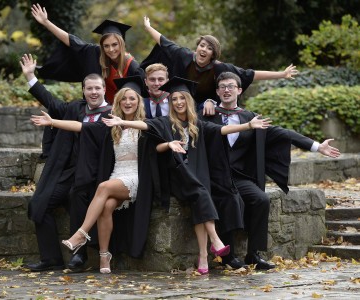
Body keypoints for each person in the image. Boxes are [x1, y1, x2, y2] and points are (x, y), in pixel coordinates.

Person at [102, 76, 271, 274]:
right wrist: (123, 121)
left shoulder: (198, 124)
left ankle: (203, 257)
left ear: (188, 101)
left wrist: (247, 126)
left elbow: (222, 129)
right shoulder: (165, 122)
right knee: (200, 191)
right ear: (171, 102)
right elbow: (146, 126)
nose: (179, 102)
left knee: (200, 194)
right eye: (174, 99)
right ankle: (215, 241)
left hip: (195, 178)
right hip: (174, 177)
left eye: (182, 98)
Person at [200, 72, 341, 270]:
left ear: (239, 90)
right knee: (232, 200)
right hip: (213, 175)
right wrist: (205, 102)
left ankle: (253, 254)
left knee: (261, 199)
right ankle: (228, 256)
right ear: (217, 91)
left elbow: (280, 133)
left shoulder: (249, 117)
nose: (226, 90)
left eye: (231, 86)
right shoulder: (207, 113)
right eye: (222, 86)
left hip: (239, 176)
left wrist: (316, 146)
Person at [31, 76, 158, 274]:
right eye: (124, 99)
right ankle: (104, 256)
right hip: (117, 174)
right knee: (106, 206)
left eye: (132, 99)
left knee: (102, 187)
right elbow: (82, 127)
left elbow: (151, 130)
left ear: (139, 101)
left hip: (134, 176)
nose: (127, 102)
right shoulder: (111, 125)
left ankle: (81, 234)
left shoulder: (147, 124)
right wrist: (53, 122)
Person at [20, 54, 111, 272]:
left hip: (95, 174)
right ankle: (51, 258)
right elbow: (52, 103)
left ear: (104, 89)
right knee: (39, 204)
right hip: (68, 171)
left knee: (76, 198)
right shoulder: (75, 109)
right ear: (83, 90)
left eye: (97, 88)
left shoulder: (112, 114)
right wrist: (31, 77)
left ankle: (79, 256)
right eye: (89, 89)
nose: (93, 92)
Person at [141, 16, 298, 114]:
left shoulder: (220, 67)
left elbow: (248, 74)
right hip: (180, 101)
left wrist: (281, 74)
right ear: (197, 47)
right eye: (202, 45)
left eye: (209, 48)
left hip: (204, 106)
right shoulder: (184, 56)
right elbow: (165, 42)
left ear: (213, 54)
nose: (204, 49)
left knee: (209, 111)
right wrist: (148, 27)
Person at [31, 3, 144, 103]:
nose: (110, 49)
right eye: (106, 46)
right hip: (97, 109)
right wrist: (46, 22)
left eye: (115, 45)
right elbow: (71, 41)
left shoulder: (131, 65)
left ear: (122, 44)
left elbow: (142, 93)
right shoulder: (95, 53)